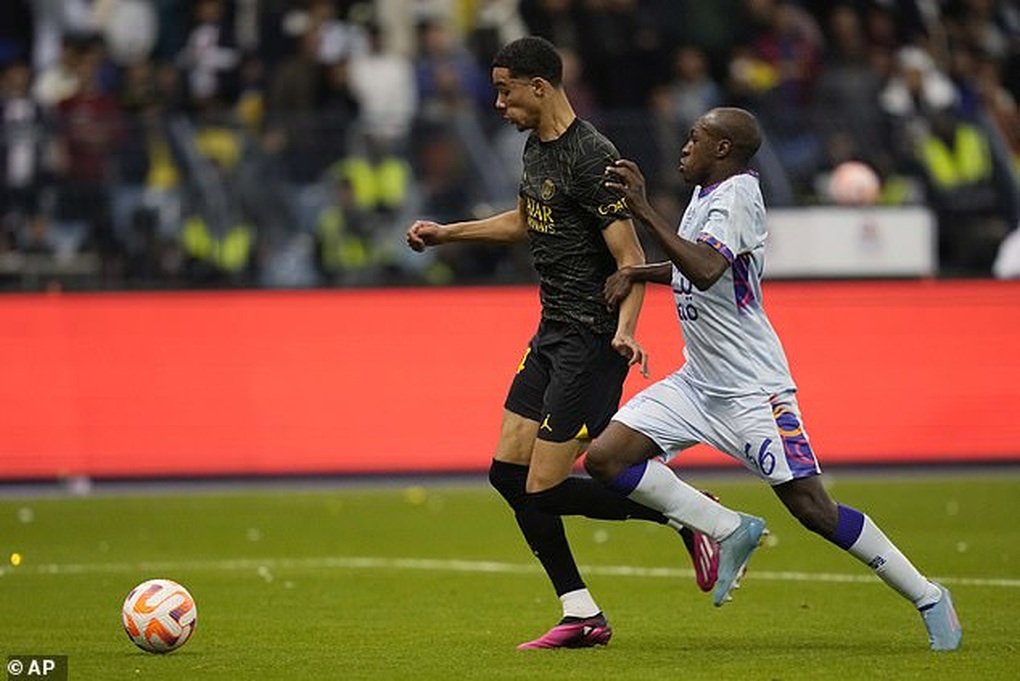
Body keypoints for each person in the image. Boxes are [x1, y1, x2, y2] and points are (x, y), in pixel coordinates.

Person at [584, 106, 963, 652]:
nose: (684, 147)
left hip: (751, 390)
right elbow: (700, 269)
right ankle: (725, 526)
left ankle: (928, 596)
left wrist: (643, 209)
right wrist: (636, 271)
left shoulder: (737, 195)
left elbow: (706, 268)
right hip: (699, 382)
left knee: (813, 509)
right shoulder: (706, 195)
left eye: (695, 138)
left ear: (722, 149)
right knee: (606, 459)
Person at [406, 36, 719, 650]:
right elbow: (527, 219)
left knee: (542, 488)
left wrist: (626, 331)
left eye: (505, 90)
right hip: (551, 332)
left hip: (591, 341)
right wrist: (448, 234)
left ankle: (688, 512)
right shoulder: (537, 149)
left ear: (539, 87)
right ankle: (582, 614)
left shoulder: (591, 156)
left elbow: (631, 259)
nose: (498, 103)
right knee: (506, 474)